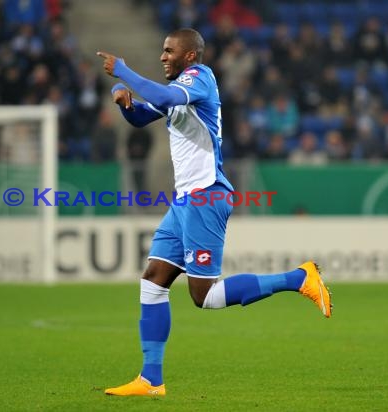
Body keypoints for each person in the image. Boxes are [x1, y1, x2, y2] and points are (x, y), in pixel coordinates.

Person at [97, 28, 332, 397]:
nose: (162, 57)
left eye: (169, 51)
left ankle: (299, 278)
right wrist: (125, 103)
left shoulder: (199, 78)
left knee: (203, 296)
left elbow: (160, 94)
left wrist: (124, 71)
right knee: (154, 279)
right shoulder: (176, 90)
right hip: (185, 200)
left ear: (190, 56)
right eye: (161, 50)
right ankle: (151, 379)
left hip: (206, 195)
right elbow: (143, 117)